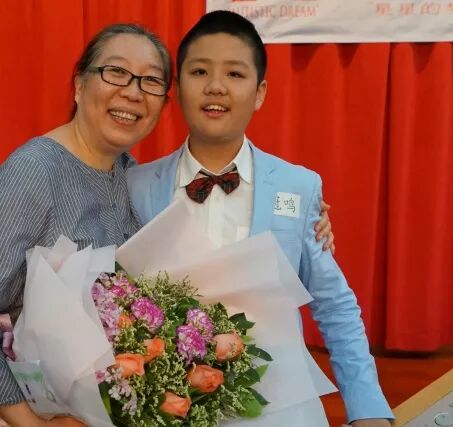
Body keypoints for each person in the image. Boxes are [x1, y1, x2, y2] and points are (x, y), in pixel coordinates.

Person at [0, 21, 335, 426]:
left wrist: (311, 222)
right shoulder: (34, 170)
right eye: (116, 72)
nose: (133, 92)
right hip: (37, 408)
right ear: (79, 84)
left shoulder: (126, 175)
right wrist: (29, 422)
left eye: (151, 81)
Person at [126, 11, 393, 427]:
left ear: (260, 92)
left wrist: (368, 409)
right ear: (177, 89)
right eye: (199, 71)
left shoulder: (298, 187)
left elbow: (335, 305)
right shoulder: (135, 186)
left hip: (279, 408)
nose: (216, 86)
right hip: (170, 409)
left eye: (235, 74)